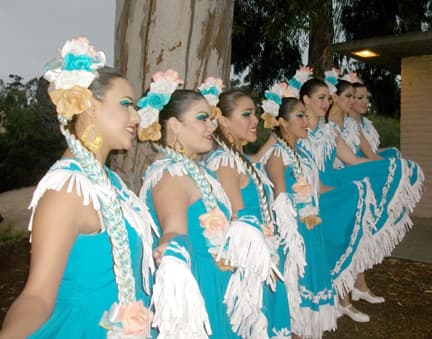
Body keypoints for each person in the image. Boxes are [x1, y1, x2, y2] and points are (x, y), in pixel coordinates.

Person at [0, 37, 155, 338]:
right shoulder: (68, 189)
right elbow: (38, 297)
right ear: (89, 107)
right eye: (126, 105)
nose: (136, 117)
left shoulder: (111, 182)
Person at [298, 74, 424, 322]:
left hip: (335, 187)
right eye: (321, 98)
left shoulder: (330, 131)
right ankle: (335, 299)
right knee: (336, 243)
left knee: (351, 236)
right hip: (316, 195)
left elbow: (354, 161)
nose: (326, 102)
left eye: (328, 97)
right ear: (306, 100)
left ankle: (345, 298)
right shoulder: (298, 134)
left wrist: (388, 170)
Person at [138, 73, 239, 338]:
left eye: (211, 119)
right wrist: (169, 250)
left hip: (216, 277)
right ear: (175, 125)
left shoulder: (194, 170)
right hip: (199, 285)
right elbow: (173, 230)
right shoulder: (170, 174)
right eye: (202, 118)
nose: (212, 127)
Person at [205, 89, 291, 338]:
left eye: (254, 113)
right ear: (223, 120)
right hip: (248, 263)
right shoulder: (224, 162)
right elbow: (236, 220)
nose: (255, 121)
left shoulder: (240, 158)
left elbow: (258, 158)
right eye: (246, 114)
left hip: (263, 253)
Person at [351, 82, 401, 158]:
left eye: (367, 97)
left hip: (370, 159)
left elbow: (373, 151)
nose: (366, 101)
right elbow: (369, 155)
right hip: (356, 164)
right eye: (360, 98)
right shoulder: (347, 123)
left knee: (393, 151)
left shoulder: (367, 123)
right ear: (350, 99)